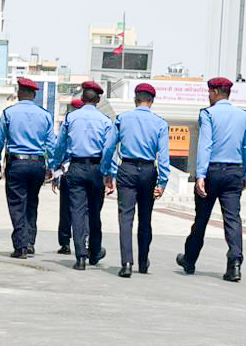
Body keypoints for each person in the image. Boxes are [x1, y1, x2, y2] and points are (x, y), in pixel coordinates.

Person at [177, 77, 246, 282]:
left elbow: (205, 144)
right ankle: (234, 264)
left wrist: (200, 175)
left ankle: (190, 260)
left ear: (216, 93)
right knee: (233, 219)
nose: (208, 96)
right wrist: (245, 175)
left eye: (209, 92)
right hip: (234, 171)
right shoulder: (244, 116)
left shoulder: (208, 114)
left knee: (201, 218)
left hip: (212, 171)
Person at [101, 83, 170, 278]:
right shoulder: (160, 123)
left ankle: (126, 263)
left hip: (127, 169)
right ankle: (143, 261)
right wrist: (162, 182)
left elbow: (109, 148)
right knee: (145, 218)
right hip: (148, 170)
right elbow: (164, 156)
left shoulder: (122, 119)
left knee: (125, 217)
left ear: (135, 99)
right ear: (152, 101)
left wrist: (107, 172)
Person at [0, 77, 57, 259]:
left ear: (19, 93)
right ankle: (29, 243)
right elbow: (51, 145)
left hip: (16, 164)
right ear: (34, 95)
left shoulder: (8, 113)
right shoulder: (45, 115)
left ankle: (20, 245)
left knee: (17, 204)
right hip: (37, 164)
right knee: (32, 203)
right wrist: (52, 166)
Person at [52, 82, 113, 270]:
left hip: (76, 167)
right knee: (94, 212)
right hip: (96, 168)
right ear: (98, 99)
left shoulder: (71, 118)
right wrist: (108, 172)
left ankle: (80, 257)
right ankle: (94, 252)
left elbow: (60, 145)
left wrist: (55, 165)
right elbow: (109, 149)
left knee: (77, 212)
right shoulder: (105, 121)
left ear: (82, 99)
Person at [56, 98, 85, 255]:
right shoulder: (91, 123)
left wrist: (55, 170)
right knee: (84, 209)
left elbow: (59, 147)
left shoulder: (68, 122)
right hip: (89, 169)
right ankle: (83, 242)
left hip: (69, 170)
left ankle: (65, 243)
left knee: (66, 208)